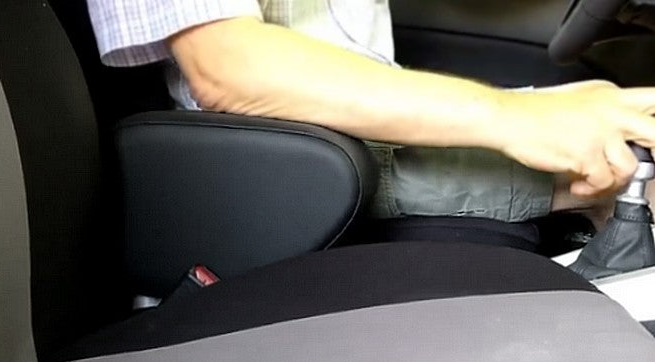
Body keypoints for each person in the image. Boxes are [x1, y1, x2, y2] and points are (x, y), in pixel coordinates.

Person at [86, 0, 655, 226]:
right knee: (633, 159)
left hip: (363, 130)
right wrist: (517, 116)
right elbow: (228, 69)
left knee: (613, 107)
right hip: (298, 166)